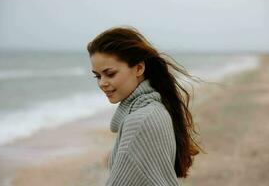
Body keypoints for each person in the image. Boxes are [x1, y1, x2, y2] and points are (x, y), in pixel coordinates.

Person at [87, 26, 203, 186]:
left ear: (139, 68)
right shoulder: (155, 108)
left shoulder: (141, 120)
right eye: (98, 76)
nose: (102, 83)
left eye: (110, 74)